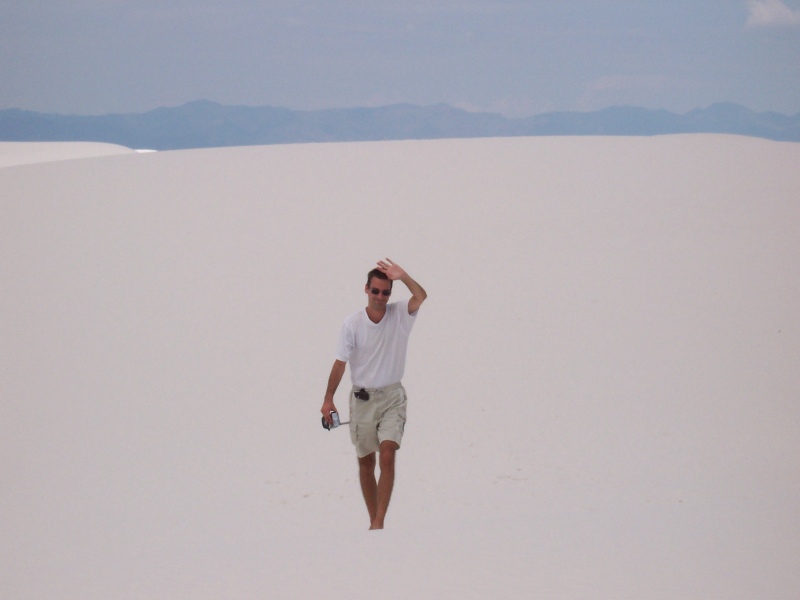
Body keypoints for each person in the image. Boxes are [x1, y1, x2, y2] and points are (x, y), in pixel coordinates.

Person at [321, 258, 427, 530]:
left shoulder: (401, 314)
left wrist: (403, 276)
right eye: (376, 291)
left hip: (392, 397)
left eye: (386, 292)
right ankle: (374, 523)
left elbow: (421, 295)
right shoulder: (352, 324)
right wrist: (328, 399)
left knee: (388, 453)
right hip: (362, 399)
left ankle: (379, 522)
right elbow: (340, 362)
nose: (381, 297)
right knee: (366, 461)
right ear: (366, 289)